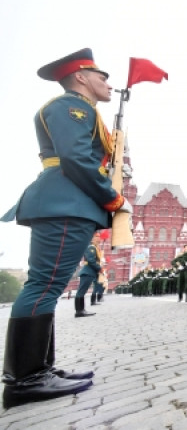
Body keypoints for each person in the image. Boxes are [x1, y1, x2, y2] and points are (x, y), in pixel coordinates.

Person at [0, 49, 132, 407]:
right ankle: (24, 380)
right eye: (102, 77)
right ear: (81, 77)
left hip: (67, 200)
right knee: (44, 285)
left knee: (48, 284)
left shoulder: (85, 111)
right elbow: (76, 158)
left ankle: (41, 367)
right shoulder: (70, 108)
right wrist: (113, 198)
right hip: (65, 200)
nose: (108, 84)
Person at [75, 233, 102, 317]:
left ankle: (81, 310)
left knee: (82, 292)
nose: (98, 239)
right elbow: (91, 260)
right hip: (88, 272)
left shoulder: (94, 248)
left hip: (89, 272)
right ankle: (79, 311)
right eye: (96, 237)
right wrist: (99, 268)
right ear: (92, 238)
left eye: (99, 237)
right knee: (81, 292)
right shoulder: (91, 247)